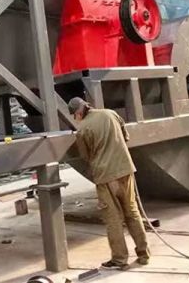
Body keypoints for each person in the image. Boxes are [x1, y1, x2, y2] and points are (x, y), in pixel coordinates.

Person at [68, 97, 149, 270]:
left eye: (75, 116)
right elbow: (125, 137)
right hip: (126, 170)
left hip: (106, 176)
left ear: (78, 113)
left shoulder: (82, 129)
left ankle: (119, 259)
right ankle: (143, 254)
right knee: (132, 212)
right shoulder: (110, 113)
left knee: (113, 219)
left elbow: (85, 156)